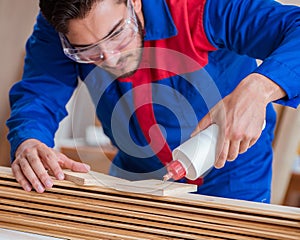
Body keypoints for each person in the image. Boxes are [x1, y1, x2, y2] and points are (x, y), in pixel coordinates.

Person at [6, 0, 300, 203]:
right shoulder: (63, 26)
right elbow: (40, 90)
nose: (110, 58)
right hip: (135, 173)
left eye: (117, 34)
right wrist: (30, 140)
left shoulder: (200, 6)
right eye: (89, 51)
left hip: (230, 173)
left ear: (134, 2)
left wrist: (259, 88)